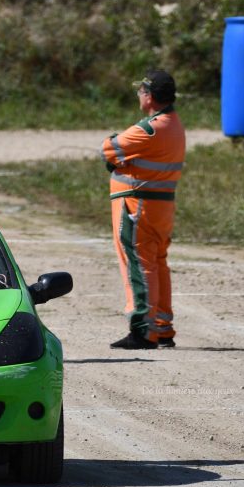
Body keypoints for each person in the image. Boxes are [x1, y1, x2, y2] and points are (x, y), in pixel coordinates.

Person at [102, 69, 186, 350]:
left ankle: (143, 331)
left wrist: (116, 152)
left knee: (139, 264)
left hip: (137, 206)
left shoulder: (150, 128)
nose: (139, 94)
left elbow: (110, 149)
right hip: (159, 207)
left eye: (141, 90)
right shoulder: (174, 123)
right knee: (157, 262)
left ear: (149, 96)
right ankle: (162, 327)